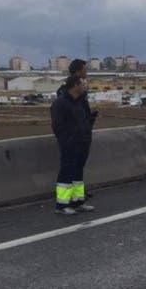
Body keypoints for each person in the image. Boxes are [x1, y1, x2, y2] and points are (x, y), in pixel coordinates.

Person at [49, 75, 95, 215]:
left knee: (77, 174)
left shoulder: (80, 102)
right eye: (82, 84)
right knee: (66, 174)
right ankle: (62, 205)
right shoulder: (61, 103)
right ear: (75, 85)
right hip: (70, 144)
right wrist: (67, 141)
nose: (84, 86)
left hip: (82, 143)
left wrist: (90, 122)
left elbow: (84, 122)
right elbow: (58, 126)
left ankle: (78, 201)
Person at [57, 59, 97, 195]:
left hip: (82, 137)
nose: (86, 72)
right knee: (68, 170)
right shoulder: (65, 96)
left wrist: (90, 119)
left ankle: (78, 197)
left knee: (78, 169)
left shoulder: (79, 95)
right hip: (72, 140)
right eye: (85, 69)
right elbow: (61, 122)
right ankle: (64, 202)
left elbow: (82, 115)